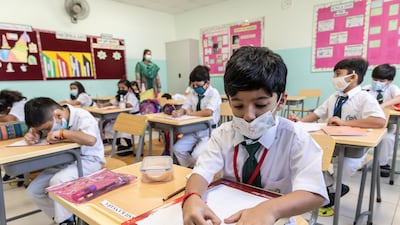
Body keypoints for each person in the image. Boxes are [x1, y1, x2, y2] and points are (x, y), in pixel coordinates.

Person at [182, 47, 328, 225]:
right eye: (238, 106)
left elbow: (315, 193)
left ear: (281, 100)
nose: (248, 116)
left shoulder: (295, 138)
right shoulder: (223, 134)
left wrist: (270, 208)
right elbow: (201, 172)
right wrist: (192, 197)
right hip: (229, 215)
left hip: (276, 218)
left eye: (260, 105)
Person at [289, 57, 386, 207]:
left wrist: (345, 123)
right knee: (310, 159)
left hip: (353, 149)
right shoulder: (333, 97)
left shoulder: (364, 98)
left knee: (344, 167)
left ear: (353, 77)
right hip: (331, 145)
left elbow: (379, 121)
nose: (334, 79)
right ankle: (332, 187)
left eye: (338, 74)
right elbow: (316, 114)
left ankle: (335, 188)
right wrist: (299, 122)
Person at [22, 97, 105, 225]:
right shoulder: (51, 118)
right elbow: (39, 129)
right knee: (33, 191)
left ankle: (65, 220)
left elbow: (90, 140)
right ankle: (66, 218)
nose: (46, 131)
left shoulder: (82, 116)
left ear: (58, 115)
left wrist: (63, 133)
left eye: (46, 128)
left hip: (89, 161)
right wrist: (34, 133)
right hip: (64, 162)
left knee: (58, 181)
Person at [171, 65, 221, 167]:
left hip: (209, 132)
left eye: (198, 85)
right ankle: (191, 169)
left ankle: (198, 170)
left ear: (207, 83)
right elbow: (186, 106)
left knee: (196, 155)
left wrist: (190, 113)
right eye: (193, 85)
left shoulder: (213, 93)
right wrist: (179, 112)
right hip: (194, 130)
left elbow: (208, 112)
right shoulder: (193, 93)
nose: (195, 88)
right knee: (177, 149)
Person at [363, 64, 400, 177]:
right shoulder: (366, 88)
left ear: (389, 81)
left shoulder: (392, 88)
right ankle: (360, 160)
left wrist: (383, 105)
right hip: (367, 123)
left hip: (385, 125)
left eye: (381, 80)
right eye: (375, 79)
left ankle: (382, 164)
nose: (377, 82)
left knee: (389, 138)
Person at [97, 79, 139, 155]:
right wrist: (102, 105)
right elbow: (111, 102)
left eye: (123, 88)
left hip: (134, 118)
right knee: (110, 126)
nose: (121, 90)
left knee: (121, 128)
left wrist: (122, 104)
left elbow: (129, 105)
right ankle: (119, 144)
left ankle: (129, 146)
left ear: (129, 88)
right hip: (124, 117)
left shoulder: (131, 96)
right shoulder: (120, 96)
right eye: (119, 88)